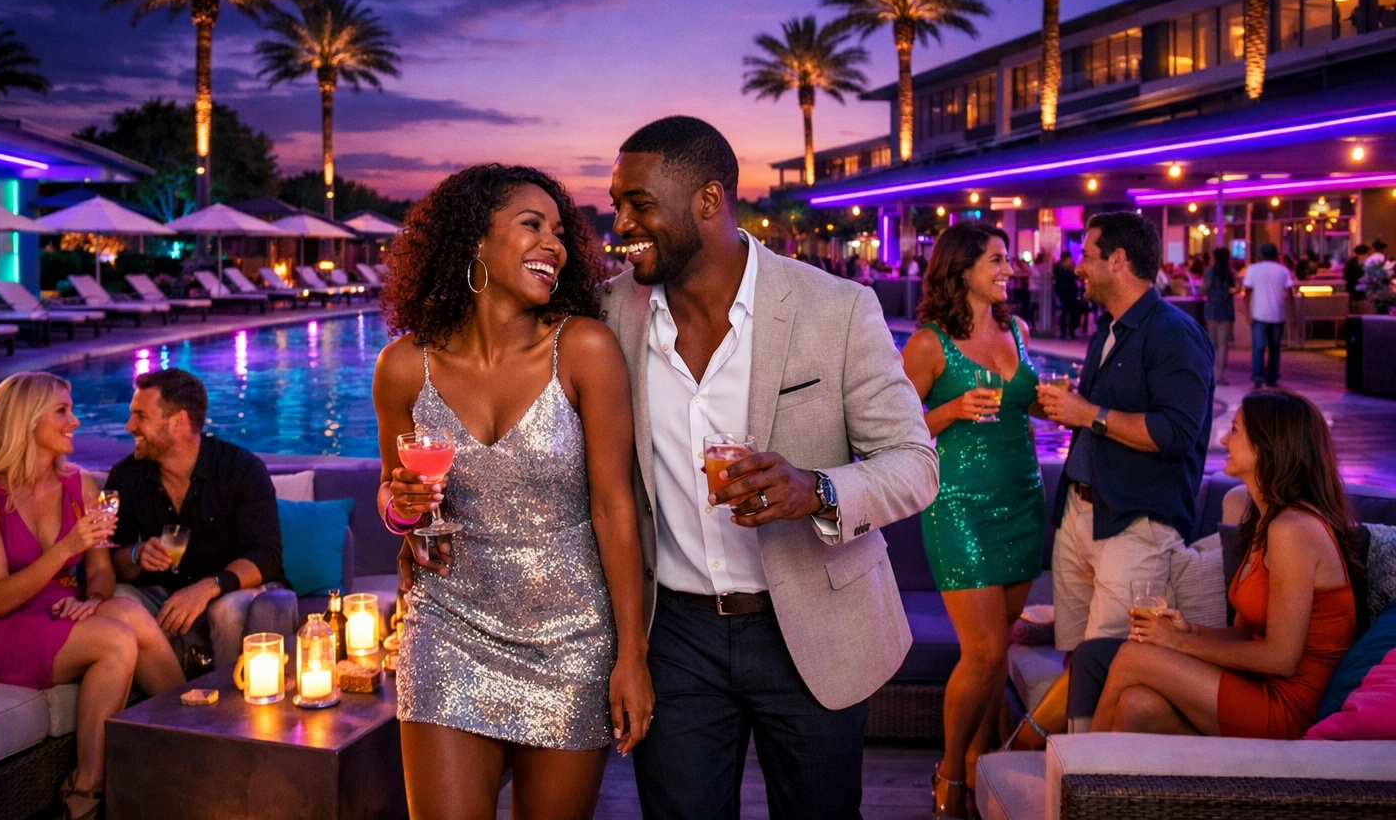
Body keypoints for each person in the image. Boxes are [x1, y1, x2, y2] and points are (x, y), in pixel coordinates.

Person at [601, 116, 939, 820]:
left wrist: (815, 490)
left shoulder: (837, 308)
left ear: (708, 199)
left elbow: (915, 464)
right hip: (675, 635)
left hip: (814, 624)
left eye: (639, 203)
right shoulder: (609, 314)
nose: (621, 222)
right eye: (616, 203)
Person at [378, 164, 652, 820]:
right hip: (447, 629)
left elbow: (615, 508)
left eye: (559, 232)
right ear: (475, 238)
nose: (554, 244)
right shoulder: (404, 367)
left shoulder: (583, 350)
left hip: (572, 641)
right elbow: (394, 496)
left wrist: (632, 654)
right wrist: (403, 512)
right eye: (532, 225)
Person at [0, 372, 184, 820]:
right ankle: (86, 787)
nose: (75, 420)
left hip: (51, 609)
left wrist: (93, 600)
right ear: (25, 420)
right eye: (62, 411)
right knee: (115, 640)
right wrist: (68, 545)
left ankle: (196, 732)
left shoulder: (81, 485)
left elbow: (100, 572)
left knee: (126, 611)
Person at [1013, 212, 1214, 747]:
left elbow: (1177, 432)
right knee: (1076, 658)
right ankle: (1066, 766)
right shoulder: (1107, 329)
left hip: (1135, 523)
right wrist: (1068, 412)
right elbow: (1099, 418)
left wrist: (1090, 414)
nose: (1078, 266)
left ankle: (1085, 772)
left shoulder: (1174, 334)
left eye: (1086, 255)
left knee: (1105, 662)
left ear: (1117, 260)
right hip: (1081, 513)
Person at [1090, 391, 1360, 738]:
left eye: (1234, 430)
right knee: (1136, 705)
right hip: (1260, 684)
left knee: (1132, 656)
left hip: (1291, 707)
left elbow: (1281, 659)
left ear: (1266, 446)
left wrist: (1177, 643)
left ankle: (1075, 766)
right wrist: (1190, 631)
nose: (1223, 440)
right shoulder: (1265, 521)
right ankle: (1110, 773)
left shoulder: (1294, 530)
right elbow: (1246, 635)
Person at [902, 222, 1046, 819]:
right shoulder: (929, 344)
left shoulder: (1019, 330)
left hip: (1024, 498)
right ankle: (950, 772)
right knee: (983, 651)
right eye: (997, 259)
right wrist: (953, 409)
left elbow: (1024, 407)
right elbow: (889, 430)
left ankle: (980, 762)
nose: (1009, 268)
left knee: (999, 646)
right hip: (960, 505)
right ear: (962, 270)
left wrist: (1054, 403)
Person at [107, 368, 284, 676]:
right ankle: (171, 695)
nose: (129, 426)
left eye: (140, 416)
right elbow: (112, 560)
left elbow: (265, 555)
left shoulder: (240, 469)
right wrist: (136, 554)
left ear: (178, 422)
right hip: (163, 592)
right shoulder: (127, 476)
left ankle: (230, 701)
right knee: (116, 600)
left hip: (230, 590)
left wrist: (209, 587)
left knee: (227, 611)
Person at [1242, 243, 1295, 390]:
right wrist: (1293, 316)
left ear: (1260, 255)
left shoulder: (1252, 269)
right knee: (1275, 348)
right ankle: (1272, 378)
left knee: (1258, 347)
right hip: (1278, 314)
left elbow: (1247, 293)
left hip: (1258, 314)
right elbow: (1290, 295)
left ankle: (1258, 378)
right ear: (1276, 255)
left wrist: (1247, 313)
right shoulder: (1283, 270)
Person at [1201, 247, 1237, 386]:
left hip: (1212, 309)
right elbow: (1236, 288)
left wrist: (1198, 289)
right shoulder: (1230, 272)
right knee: (1223, 344)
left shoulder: (1209, 271)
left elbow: (1206, 287)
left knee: (1212, 342)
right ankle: (1220, 375)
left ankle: (1211, 373)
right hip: (1226, 309)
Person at [1054, 250, 1081, 340]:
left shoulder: (1069, 266)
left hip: (1070, 291)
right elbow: (1063, 277)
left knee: (1071, 311)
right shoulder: (1060, 267)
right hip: (1065, 291)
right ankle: (1065, 332)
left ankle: (1070, 331)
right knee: (1066, 310)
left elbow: (1076, 276)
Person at [1345, 244, 1368, 312]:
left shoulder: (1351, 262)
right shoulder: (1367, 262)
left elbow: (1346, 276)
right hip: (1358, 289)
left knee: (1354, 307)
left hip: (1353, 288)